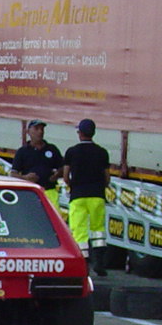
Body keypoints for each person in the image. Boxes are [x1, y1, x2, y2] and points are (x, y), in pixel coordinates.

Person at [62, 118, 111, 276]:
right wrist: (100, 187)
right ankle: (100, 263)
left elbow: (65, 176)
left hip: (78, 196)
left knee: (79, 231)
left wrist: (72, 185)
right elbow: (107, 177)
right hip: (97, 195)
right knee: (98, 230)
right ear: (93, 133)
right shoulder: (102, 152)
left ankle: (83, 265)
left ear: (80, 133)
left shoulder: (72, 152)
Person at [11, 119, 64, 209]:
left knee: (52, 215)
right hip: (30, 192)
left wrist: (57, 174)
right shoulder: (22, 151)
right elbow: (13, 174)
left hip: (49, 191)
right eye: (36, 129)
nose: (40, 132)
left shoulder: (52, 149)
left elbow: (62, 168)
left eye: (42, 129)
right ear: (28, 132)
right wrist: (25, 178)